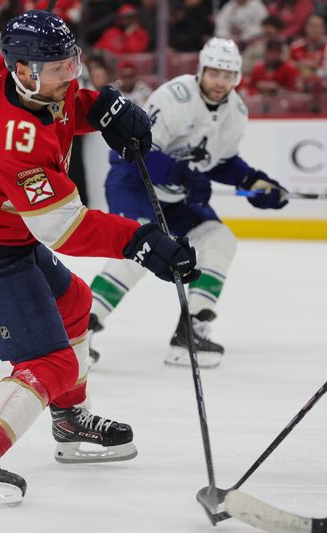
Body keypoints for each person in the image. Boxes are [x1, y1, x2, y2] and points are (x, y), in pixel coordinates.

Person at [0, 10, 198, 506]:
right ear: (23, 69)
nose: (71, 75)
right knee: (49, 360)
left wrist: (104, 108)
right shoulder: (14, 140)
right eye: (59, 69)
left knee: (75, 303)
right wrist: (141, 240)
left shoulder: (20, 75)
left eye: (72, 62)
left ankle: (70, 421)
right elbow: (64, 228)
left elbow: (67, 102)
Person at [87, 38, 289, 369]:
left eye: (228, 75)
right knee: (139, 249)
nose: (220, 82)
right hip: (135, 185)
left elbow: (219, 161)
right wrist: (183, 174)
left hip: (177, 197)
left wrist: (252, 182)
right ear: (201, 71)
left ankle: (191, 329)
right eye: (214, 73)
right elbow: (136, 151)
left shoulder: (236, 112)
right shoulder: (174, 97)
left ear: (237, 77)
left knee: (219, 239)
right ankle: (79, 330)